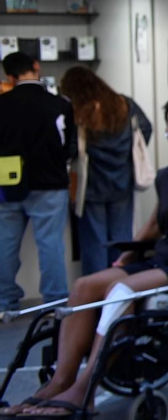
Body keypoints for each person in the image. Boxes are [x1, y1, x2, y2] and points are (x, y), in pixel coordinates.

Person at [2, 95, 168, 420]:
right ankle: (60, 381)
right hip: (166, 260)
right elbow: (154, 226)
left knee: (121, 291)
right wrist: (127, 255)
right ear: (166, 131)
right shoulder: (167, 177)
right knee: (83, 286)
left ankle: (85, 389)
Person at [0, 51, 76, 310]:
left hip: (8, 183)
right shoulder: (60, 104)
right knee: (51, 244)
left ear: (9, 76)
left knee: (5, 245)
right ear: (36, 66)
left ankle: (5, 302)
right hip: (51, 181)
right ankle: (55, 302)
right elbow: (69, 147)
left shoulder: (3, 103)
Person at [60, 66, 153, 275]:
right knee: (121, 241)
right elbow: (146, 127)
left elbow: (72, 147)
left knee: (94, 243)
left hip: (91, 185)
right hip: (123, 180)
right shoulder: (124, 104)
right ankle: (119, 291)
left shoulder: (80, 111)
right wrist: (129, 153)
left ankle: (95, 295)